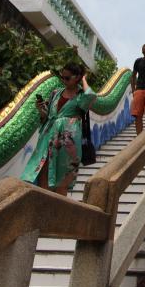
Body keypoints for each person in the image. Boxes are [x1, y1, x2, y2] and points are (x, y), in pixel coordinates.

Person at [21, 62, 96, 196]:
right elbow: (47, 117)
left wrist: (84, 79)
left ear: (77, 77)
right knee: (43, 171)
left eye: (67, 78)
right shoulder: (56, 93)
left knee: (62, 179)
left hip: (67, 142)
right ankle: (43, 207)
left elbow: (91, 96)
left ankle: (57, 211)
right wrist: (41, 109)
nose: (63, 80)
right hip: (48, 137)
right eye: (62, 77)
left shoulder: (81, 95)